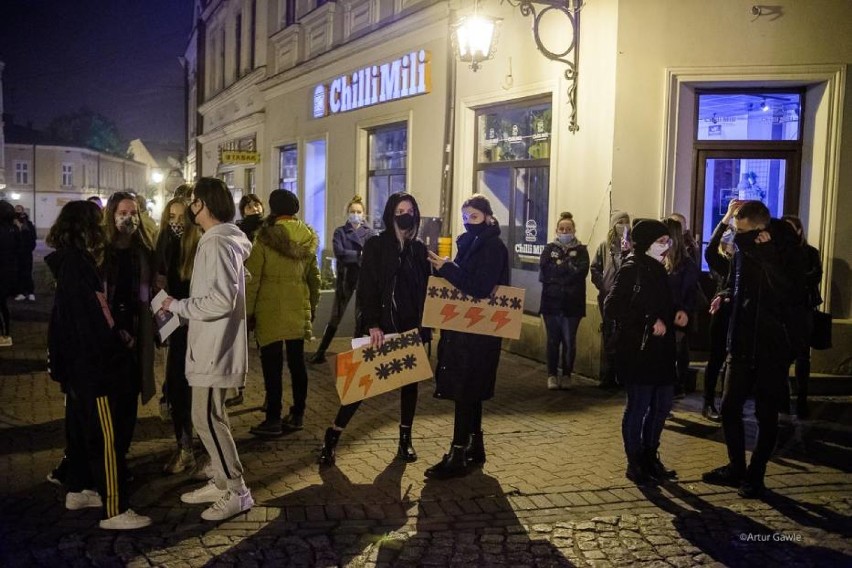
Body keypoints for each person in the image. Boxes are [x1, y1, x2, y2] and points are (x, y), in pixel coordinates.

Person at [46, 200, 152, 530]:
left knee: (81, 433)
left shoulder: (70, 262)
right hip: (94, 367)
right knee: (107, 436)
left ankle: (79, 489)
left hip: (79, 367)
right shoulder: (79, 265)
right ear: (85, 227)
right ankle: (115, 508)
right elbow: (94, 316)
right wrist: (116, 346)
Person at [161, 177, 255, 521]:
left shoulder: (216, 244)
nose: (189, 208)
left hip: (214, 347)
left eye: (194, 202)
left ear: (205, 205)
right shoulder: (218, 242)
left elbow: (219, 300)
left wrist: (178, 306)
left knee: (206, 418)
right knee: (212, 416)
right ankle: (221, 478)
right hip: (212, 344)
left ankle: (236, 490)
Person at [702, 201, 806, 498]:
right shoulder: (742, 251)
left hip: (773, 346)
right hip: (741, 342)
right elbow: (730, 277)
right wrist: (725, 295)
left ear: (760, 227)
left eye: (742, 230)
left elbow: (790, 293)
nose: (738, 236)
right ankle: (737, 468)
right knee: (730, 408)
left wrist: (768, 256)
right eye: (736, 230)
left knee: (766, 413)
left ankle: (755, 475)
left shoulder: (787, 250)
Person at [318, 192, 431, 466]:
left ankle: (405, 440)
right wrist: (372, 324)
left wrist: (424, 327)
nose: (406, 215)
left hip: (408, 327)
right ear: (391, 214)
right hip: (379, 328)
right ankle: (333, 435)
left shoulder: (417, 250)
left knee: (409, 385)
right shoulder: (377, 245)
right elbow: (367, 287)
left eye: (410, 210)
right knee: (360, 386)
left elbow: (425, 290)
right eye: (400, 210)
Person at [424, 194, 510, 480]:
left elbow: (480, 287)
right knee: (470, 391)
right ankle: (474, 445)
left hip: (479, 333)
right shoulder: (471, 242)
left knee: (465, 390)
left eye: (473, 217)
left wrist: (447, 269)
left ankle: (458, 451)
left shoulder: (492, 246)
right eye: (464, 218)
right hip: (467, 329)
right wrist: (448, 266)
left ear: (487, 216)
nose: (468, 223)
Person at [604, 219, 677, 485]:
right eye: (660, 241)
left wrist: (676, 314)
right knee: (638, 407)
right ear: (646, 243)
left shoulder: (659, 269)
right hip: (638, 350)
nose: (666, 246)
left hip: (662, 350)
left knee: (661, 406)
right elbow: (612, 307)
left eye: (667, 241)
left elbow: (662, 303)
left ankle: (650, 456)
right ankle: (635, 461)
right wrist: (648, 320)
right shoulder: (632, 269)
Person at [246, 189, 320, 438]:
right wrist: (312, 308)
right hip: (298, 309)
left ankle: (273, 418)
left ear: (273, 209)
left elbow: (252, 280)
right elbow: (314, 280)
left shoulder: (264, 239)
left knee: (272, 366)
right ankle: (298, 413)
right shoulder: (307, 237)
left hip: (270, 312)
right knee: (298, 364)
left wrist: (247, 313)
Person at [101, 192, 157, 465]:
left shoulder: (143, 249)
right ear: (112, 215)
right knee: (110, 398)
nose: (129, 218)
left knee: (129, 398)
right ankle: (108, 458)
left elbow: (152, 288)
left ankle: (120, 453)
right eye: (123, 213)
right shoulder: (102, 251)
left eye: (133, 213)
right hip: (108, 336)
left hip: (138, 332)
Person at [155, 196, 201, 473]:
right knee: (176, 386)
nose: (175, 223)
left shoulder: (199, 246)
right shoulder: (164, 243)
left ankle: (196, 449)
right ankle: (184, 446)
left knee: (195, 390)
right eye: (171, 217)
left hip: (195, 324)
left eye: (180, 217)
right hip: (173, 324)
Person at [309, 195, 376, 364]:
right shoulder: (340, 232)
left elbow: (372, 255)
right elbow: (339, 253)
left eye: (359, 211)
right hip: (346, 276)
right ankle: (321, 351)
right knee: (336, 315)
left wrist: (355, 256)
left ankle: (357, 355)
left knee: (360, 317)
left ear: (364, 213)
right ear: (347, 212)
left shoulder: (370, 233)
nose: (355, 214)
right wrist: (360, 255)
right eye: (353, 211)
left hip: (363, 278)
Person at [538, 211, 590, 390]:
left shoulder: (582, 251)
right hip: (551, 304)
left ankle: (567, 374)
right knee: (553, 341)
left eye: (568, 228)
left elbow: (581, 272)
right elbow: (546, 271)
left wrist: (560, 268)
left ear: (574, 230)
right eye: (562, 228)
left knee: (569, 341)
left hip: (572, 305)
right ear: (556, 230)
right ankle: (552, 375)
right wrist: (566, 268)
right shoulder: (549, 249)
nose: (565, 231)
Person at [781, 214, 822, 420]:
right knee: (781, 356)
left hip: (802, 308)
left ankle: (802, 399)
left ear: (799, 230)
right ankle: (783, 399)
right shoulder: (778, 252)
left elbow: (816, 275)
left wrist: (795, 280)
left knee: (802, 355)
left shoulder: (810, 252)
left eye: (792, 228)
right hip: (782, 309)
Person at [702, 199, 740, 422]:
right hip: (722, 315)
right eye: (729, 240)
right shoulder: (721, 262)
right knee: (716, 358)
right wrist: (727, 217)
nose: (732, 243)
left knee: (733, 361)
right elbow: (710, 249)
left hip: (739, 315)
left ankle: (729, 403)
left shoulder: (746, 262)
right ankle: (708, 402)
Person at [591, 210, 631, 388]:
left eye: (626, 221)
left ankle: (621, 374)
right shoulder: (604, 246)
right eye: (620, 221)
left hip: (626, 299)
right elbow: (595, 268)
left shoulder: (631, 245)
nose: (623, 224)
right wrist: (603, 285)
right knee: (609, 333)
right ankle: (608, 375)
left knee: (622, 335)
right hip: (607, 297)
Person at [661, 217, 700, 398]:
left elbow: (689, 291)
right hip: (659, 317)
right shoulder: (656, 261)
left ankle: (674, 389)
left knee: (675, 354)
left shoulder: (686, 264)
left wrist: (683, 310)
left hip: (675, 318)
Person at [0, 200, 20, 347]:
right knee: (3, 305)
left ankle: (3, 335)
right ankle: (6, 334)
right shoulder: (14, 229)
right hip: (9, 272)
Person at [13, 205, 37, 302]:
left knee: (27, 272)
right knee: (18, 272)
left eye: (20, 210)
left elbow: (32, 237)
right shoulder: (12, 224)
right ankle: (21, 292)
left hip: (26, 252)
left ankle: (30, 292)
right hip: (16, 253)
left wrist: (30, 248)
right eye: (16, 210)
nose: (18, 212)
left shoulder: (29, 224)